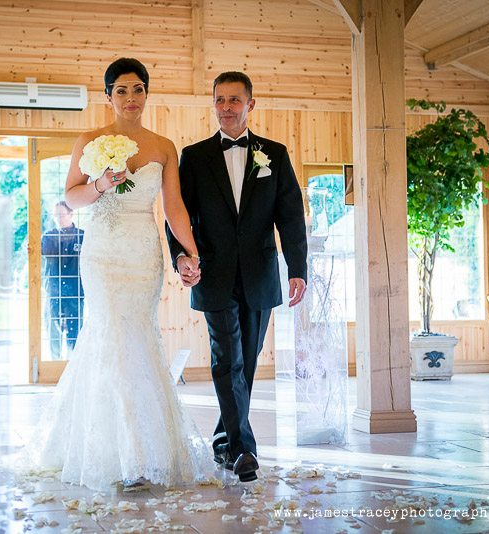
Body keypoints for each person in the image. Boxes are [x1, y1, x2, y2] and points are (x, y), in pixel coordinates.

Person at [28, 58, 211, 490]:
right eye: (122, 90)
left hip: (144, 253)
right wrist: (101, 185)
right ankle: (111, 451)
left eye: (138, 89)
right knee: (109, 334)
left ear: (147, 93)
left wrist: (191, 251)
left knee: (139, 337)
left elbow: (174, 207)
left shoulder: (164, 146)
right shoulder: (90, 140)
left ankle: (148, 450)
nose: (131, 98)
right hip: (104, 253)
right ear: (107, 95)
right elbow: (70, 199)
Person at [166, 71, 308, 483]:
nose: (226, 107)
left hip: (261, 273)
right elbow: (178, 216)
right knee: (227, 359)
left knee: (243, 363)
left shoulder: (274, 155)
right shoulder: (193, 156)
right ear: (213, 105)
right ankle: (245, 449)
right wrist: (181, 258)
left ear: (251, 104)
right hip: (213, 273)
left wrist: (297, 268)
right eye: (220, 100)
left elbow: (291, 215)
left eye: (234, 100)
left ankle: (224, 441)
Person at [41, 201, 84, 359]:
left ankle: (72, 367)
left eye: (61, 214)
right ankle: (54, 365)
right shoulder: (48, 237)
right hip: (54, 291)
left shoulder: (83, 237)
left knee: (75, 334)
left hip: (76, 293)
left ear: (71, 214)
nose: (58, 218)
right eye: (55, 215)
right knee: (54, 333)